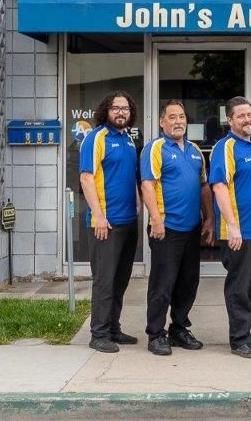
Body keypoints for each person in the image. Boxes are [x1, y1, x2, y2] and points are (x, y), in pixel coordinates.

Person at [139, 100, 215, 356]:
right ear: (162, 122)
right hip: (166, 228)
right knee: (162, 284)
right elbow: (147, 185)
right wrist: (156, 220)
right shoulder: (155, 148)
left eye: (182, 117)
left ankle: (179, 329)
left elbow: (204, 187)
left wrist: (210, 219)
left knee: (188, 283)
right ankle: (155, 334)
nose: (178, 121)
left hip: (191, 228)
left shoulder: (195, 151)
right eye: (172, 117)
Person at [209, 96, 251, 358]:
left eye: (249, 114)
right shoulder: (225, 147)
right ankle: (239, 339)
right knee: (239, 285)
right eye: (241, 116)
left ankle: (245, 332)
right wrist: (232, 226)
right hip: (239, 231)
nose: (247, 119)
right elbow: (219, 187)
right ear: (230, 120)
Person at [79, 91, 141, 353]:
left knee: (120, 280)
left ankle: (114, 328)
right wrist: (99, 217)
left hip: (128, 222)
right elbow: (86, 178)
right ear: (106, 110)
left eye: (125, 109)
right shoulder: (96, 138)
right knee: (104, 281)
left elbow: (132, 177)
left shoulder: (128, 140)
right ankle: (99, 334)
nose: (121, 112)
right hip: (106, 223)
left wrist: (137, 205)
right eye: (116, 108)